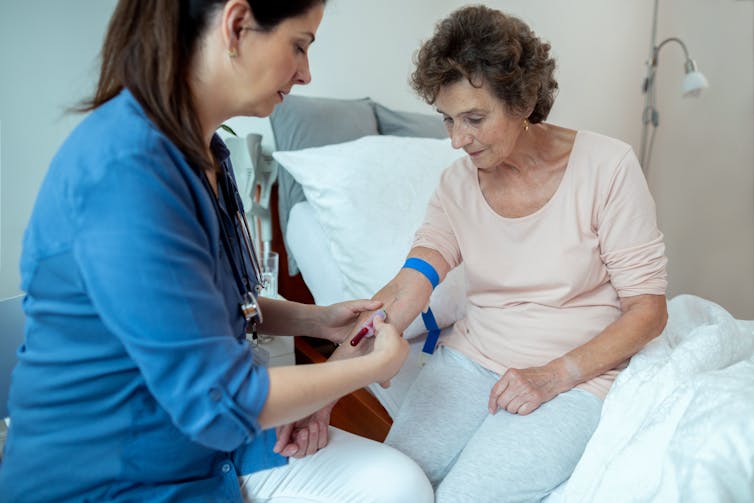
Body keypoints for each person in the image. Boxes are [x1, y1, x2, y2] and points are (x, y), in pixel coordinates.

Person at [0, 1, 434, 502]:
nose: (306, 73)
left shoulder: (205, 154)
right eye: (300, 45)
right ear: (236, 24)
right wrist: (366, 370)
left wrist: (316, 320)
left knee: (397, 486)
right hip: (113, 473)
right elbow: (217, 398)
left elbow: (209, 306)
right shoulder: (126, 175)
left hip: (210, 446)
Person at [340, 5, 669, 502]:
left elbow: (648, 310)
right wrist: (327, 385)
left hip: (573, 375)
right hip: (470, 359)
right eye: (447, 120)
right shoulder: (456, 186)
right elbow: (411, 282)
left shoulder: (608, 167)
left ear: (523, 99)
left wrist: (552, 377)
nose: (456, 140)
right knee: (392, 485)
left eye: (473, 118)